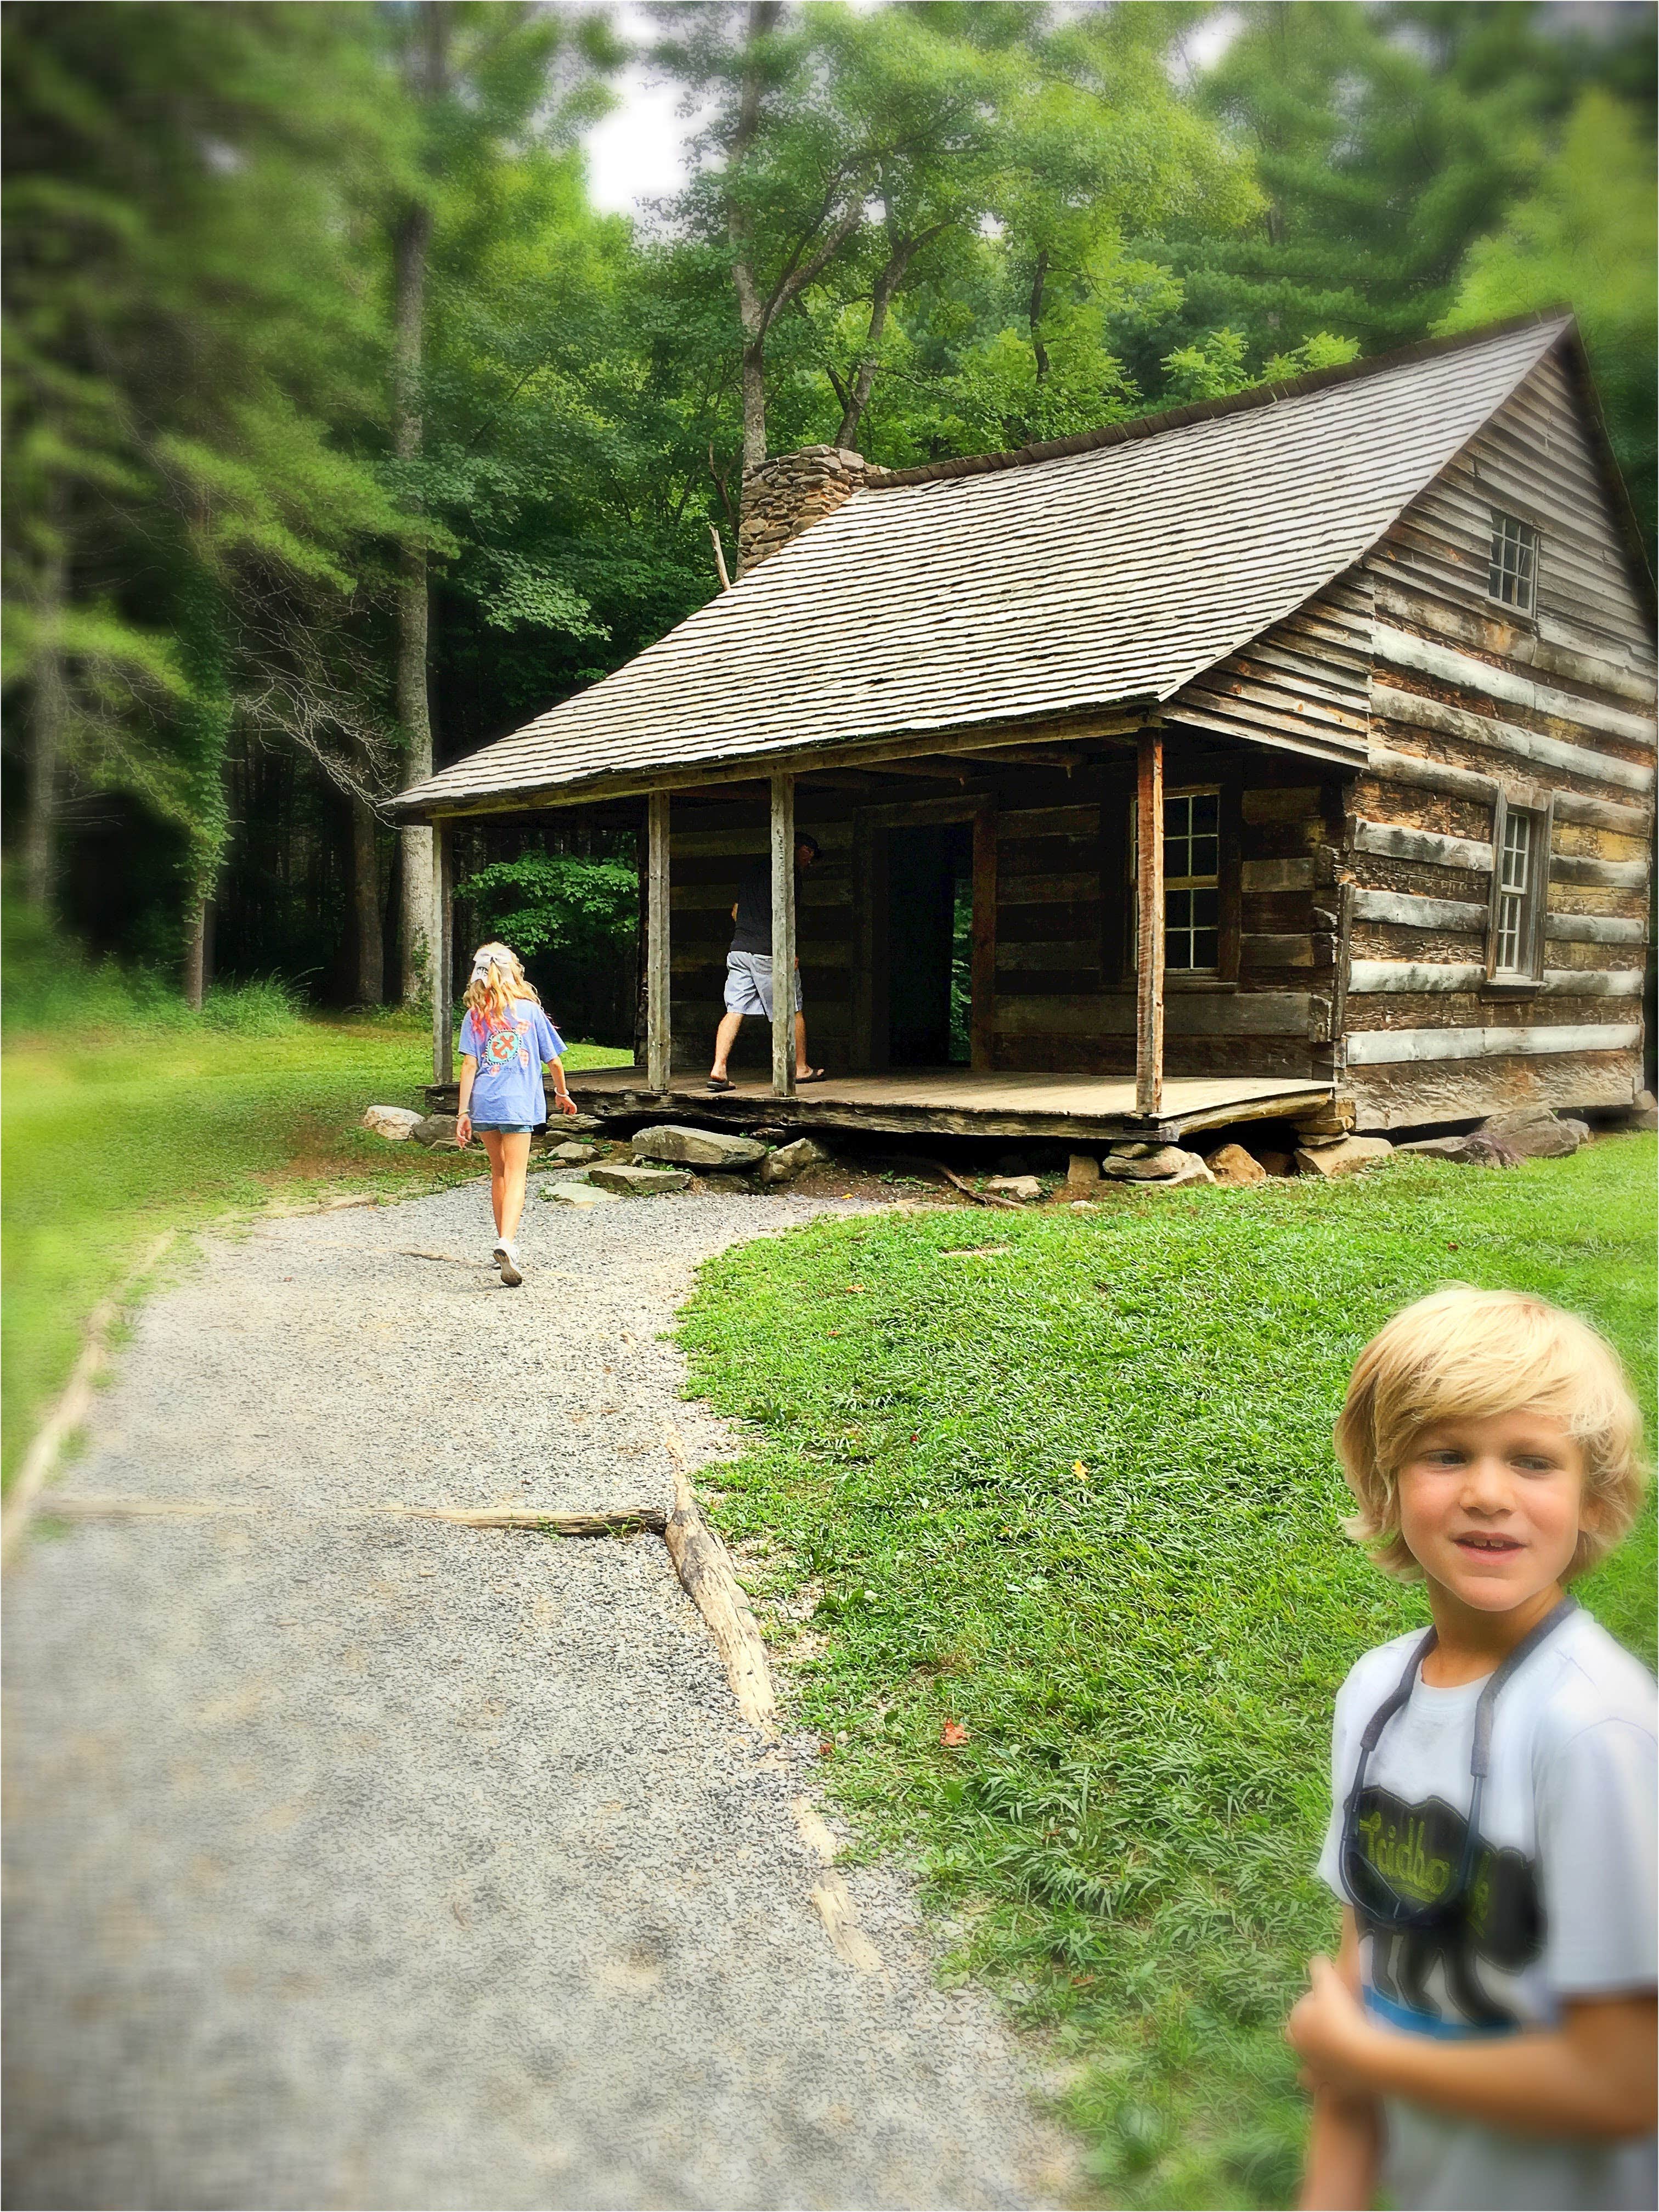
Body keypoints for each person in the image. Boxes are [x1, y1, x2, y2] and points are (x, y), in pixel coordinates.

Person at [1288, 1285, 1656, 2212]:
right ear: (1383, 1483)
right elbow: (1353, 1993)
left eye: (1530, 1460)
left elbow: (1624, 2083)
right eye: (1444, 1454)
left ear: (1590, 1497)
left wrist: (1363, 2054)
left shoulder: (1592, 1728)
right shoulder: (1374, 1694)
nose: (1486, 1493)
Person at [454, 941, 576, 1287]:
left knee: (498, 1173)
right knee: (518, 1174)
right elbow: (553, 1061)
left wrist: (463, 1111)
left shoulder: (474, 1014)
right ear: (514, 972)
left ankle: (502, 1243)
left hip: (485, 1103)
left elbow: (468, 1064)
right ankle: (506, 1242)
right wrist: (562, 1094)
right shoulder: (530, 1012)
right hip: (518, 1104)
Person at [707, 833, 825, 1091]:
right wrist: (786, 949)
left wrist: (751, 935)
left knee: (734, 1009)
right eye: (811, 856)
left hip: (739, 949)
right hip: (769, 952)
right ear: (802, 849)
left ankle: (719, 1068)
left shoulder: (753, 870)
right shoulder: (788, 874)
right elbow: (786, 915)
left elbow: (736, 912)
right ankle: (801, 1069)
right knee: (793, 1007)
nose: (810, 863)